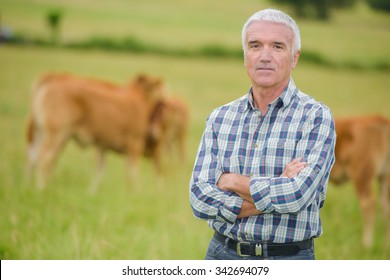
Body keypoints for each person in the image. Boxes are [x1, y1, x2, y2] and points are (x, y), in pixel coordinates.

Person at [189, 8, 336, 260]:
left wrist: (233, 181)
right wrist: (278, 183)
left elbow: (296, 196)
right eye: (255, 45)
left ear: (294, 58)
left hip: (288, 259)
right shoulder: (220, 117)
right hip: (222, 254)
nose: (265, 56)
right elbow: (199, 198)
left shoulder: (315, 117)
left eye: (277, 46)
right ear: (245, 55)